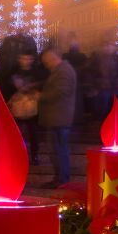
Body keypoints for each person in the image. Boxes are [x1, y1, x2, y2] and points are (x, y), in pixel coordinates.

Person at [38, 48, 76, 188]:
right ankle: (59, 178)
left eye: (46, 61)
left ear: (53, 58)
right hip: (56, 117)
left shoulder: (64, 70)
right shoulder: (60, 70)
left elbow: (61, 92)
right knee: (56, 149)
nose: (46, 64)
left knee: (59, 150)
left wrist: (40, 96)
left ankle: (62, 179)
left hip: (59, 118)